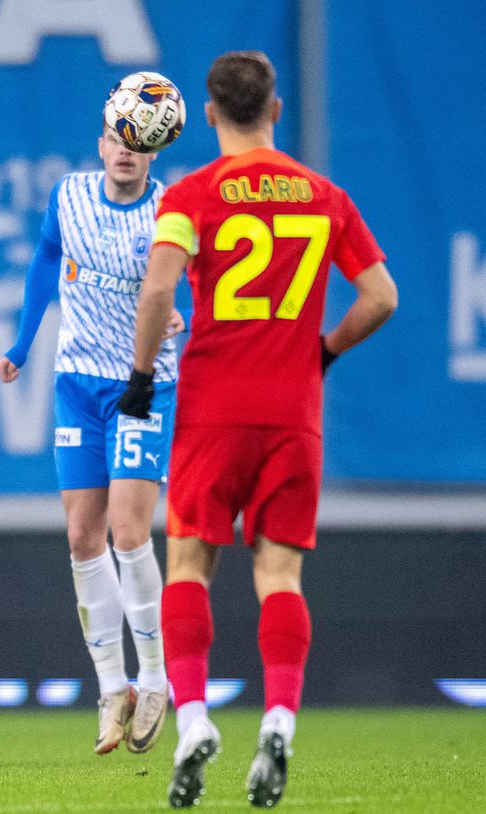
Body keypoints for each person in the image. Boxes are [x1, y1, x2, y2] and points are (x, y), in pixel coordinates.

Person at [118, 51, 397, 808]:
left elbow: (159, 287)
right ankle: (278, 719)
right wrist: (325, 352)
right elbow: (381, 295)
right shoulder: (324, 194)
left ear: (207, 115)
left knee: (188, 567)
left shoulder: (194, 195)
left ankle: (196, 720)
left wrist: (142, 379)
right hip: (293, 413)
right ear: (276, 110)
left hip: (214, 406)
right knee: (278, 575)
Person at [0, 104, 185, 755]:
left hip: (142, 384)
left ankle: (155, 679)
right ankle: (112, 688)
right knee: (82, 536)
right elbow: (46, 260)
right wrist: (22, 345)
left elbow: (187, 282)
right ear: (101, 142)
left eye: (139, 142)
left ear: (155, 148)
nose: (126, 150)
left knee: (130, 532)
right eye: (116, 138)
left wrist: (180, 314)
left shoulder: (170, 210)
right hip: (76, 383)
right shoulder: (70, 195)